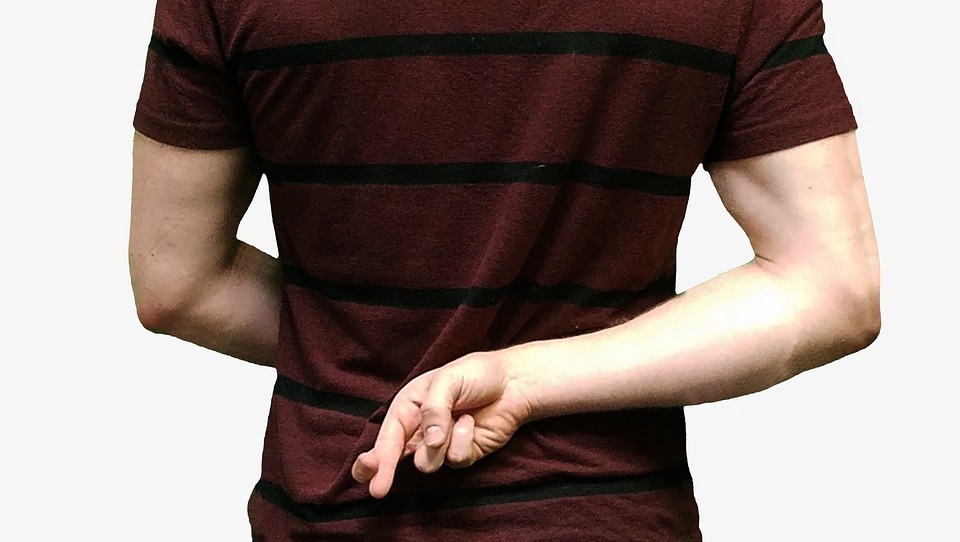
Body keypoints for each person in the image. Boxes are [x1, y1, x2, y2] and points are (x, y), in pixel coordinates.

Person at [129, 0, 880, 539]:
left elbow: (177, 285)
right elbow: (830, 289)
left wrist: (363, 337)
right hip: (607, 515)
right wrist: (521, 379)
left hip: (333, 508)